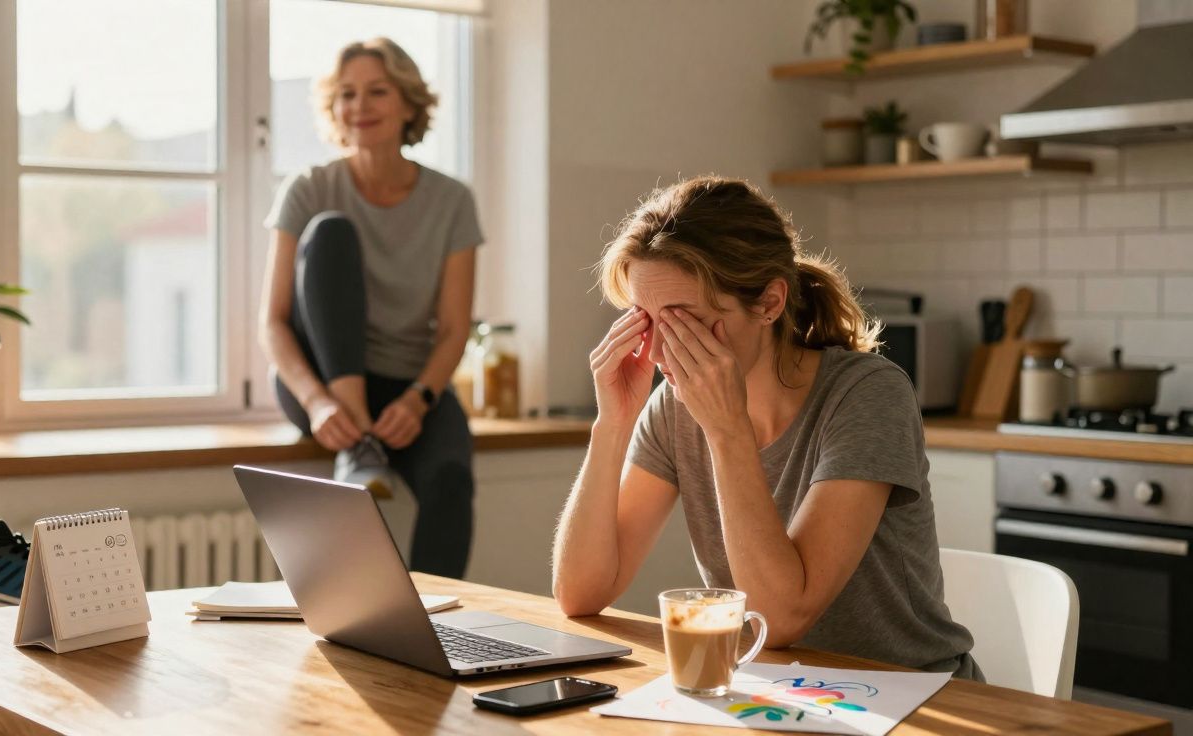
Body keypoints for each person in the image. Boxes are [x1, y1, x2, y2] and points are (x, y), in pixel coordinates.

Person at [552, 176, 982, 679]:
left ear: (770, 304)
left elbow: (779, 620)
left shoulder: (868, 394)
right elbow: (580, 593)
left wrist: (728, 431)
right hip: (776, 691)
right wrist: (613, 423)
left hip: (910, 694)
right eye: (646, 321)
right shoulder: (673, 407)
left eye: (686, 321)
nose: (661, 351)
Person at [260, 38, 481, 578]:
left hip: (410, 383)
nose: (360, 106)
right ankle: (356, 442)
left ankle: (435, 633)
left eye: (377, 91)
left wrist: (419, 399)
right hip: (317, 381)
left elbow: (454, 329)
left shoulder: (452, 201)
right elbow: (273, 322)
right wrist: (318, 405)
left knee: (452, 480)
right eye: (347, 94)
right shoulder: (310, 188)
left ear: (409, 102)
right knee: (331, 232)